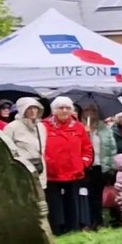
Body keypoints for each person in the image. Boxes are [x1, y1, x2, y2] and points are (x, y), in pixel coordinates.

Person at [43, 96, 94, 236]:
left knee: (72, 202)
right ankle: (56, 230)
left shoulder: (78, 127)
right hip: (52, 173)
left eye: (67, 108)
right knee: (54, 203)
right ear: (54, 110)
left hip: (74, 172)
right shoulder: (44, 126)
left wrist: (83, 163)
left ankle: (73, 229)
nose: (64, 110)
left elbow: (87, 148)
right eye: (61, 108)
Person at [80, 104, 116, 231]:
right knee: (84, 195)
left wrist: (111, 166)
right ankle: (86, 222)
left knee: (97, 196)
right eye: (87, 110)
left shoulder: (104, 128)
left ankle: (98, 221)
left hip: (99, 166)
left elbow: (112, 149)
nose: (90, 113)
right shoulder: (79, 127)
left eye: (94, 110)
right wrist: (85, 134)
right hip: (84, 167)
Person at [4, 97, 47, 188]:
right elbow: (5, 151)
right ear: (22, 110)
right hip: (21, 172)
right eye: (29, 108)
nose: (33, 111)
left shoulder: (41, 126)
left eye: (35, 108)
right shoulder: (12, 127)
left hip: (39, 170)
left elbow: (43, 150)